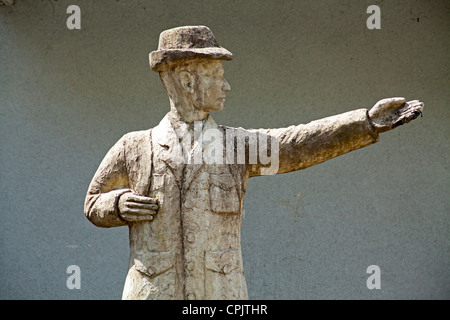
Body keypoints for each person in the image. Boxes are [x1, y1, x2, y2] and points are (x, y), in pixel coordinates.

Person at [84, 26, 423, 299]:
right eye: (217, 75)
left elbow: (294, 145)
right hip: (153, 291)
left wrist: (364, 123)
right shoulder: (135, 147)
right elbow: (92, 202)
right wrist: (117, 204)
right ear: (187, 81)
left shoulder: (237, 147)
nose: (227, 86)